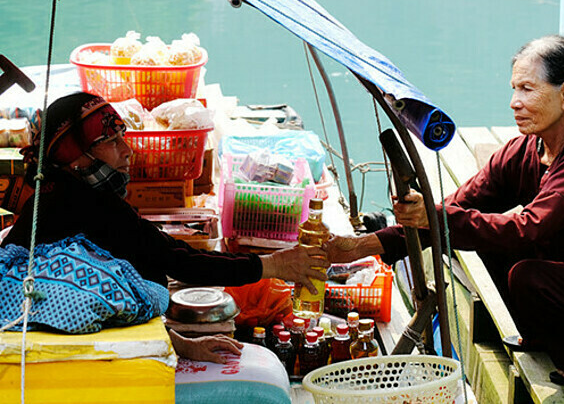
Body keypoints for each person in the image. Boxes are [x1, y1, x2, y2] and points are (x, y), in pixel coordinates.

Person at [325, 35, 564, 385]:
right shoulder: (524, 150)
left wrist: (435, 217)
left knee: (525, 275)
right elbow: (455, 209)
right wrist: (359, 247)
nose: (514, 101)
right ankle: (550, 333)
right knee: (482, 238)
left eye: (527, 89)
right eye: (514, 89)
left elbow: (530, 228)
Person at [2, 92, 329, 363]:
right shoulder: (90, 205)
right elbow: (179, 261)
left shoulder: (52, 193)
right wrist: (275, 264)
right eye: (112, 142)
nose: (127, 151)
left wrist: (179, 344)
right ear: (78, 158)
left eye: (123, 137)